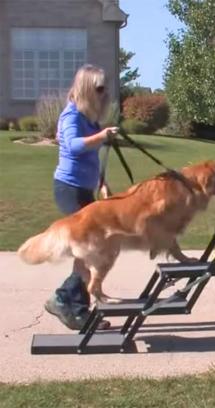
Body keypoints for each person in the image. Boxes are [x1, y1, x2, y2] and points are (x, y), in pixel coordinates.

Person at [44, 64, 118, 330]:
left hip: (84, 189)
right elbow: (75, 147)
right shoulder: (71, 116)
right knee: (91, 249)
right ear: (87, 88)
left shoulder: (88, 119)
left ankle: (75, 306)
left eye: (104, 88)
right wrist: (101, 135)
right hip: (69, 189)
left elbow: (91, 157)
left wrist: (102, 183)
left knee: (93, 249)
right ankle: (66, 301)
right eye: (98, 88)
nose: (103, 93)